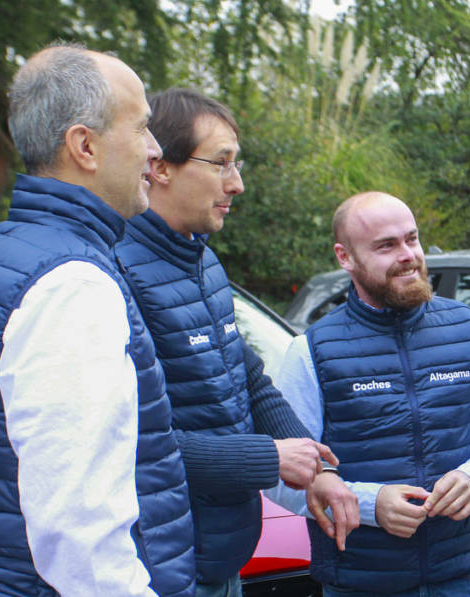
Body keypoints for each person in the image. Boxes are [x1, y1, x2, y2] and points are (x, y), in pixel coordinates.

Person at [0, 45, 196, 596]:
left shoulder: (13, 250)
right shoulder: (70, 284)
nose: (154, 151)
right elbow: (80, 541)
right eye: (142, 128)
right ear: (85, 146)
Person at [115, 87, 358, 597]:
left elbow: (246, 375)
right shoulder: (117, 273)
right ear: (160, 167)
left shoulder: (202, 261)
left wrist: (312, 464)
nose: (238, 183)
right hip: (161, 566)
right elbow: (130, 443)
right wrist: (270, 459)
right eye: (222, 163)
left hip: (220, 557)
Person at [265, 191, 470, 597]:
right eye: (386, 246)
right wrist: (370, 505)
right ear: (345, 257)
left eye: (412, 239)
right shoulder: (312, 351)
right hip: (361, 582)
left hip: (463, 578)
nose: (408, 254)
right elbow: (280, 478)